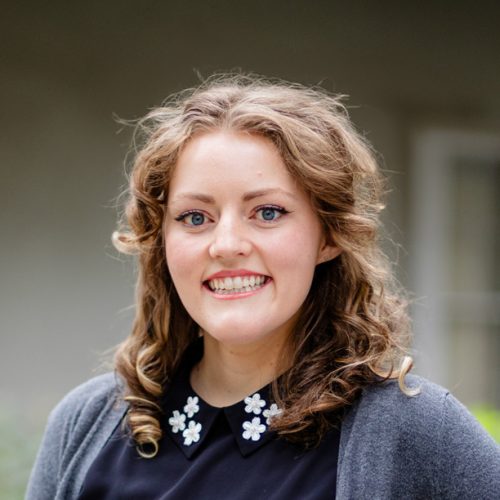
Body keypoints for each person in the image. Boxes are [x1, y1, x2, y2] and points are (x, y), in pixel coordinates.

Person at [26, 74, 500, 499]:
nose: (226, 244)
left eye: (267, 212)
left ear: (329, 235)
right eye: (195, 217)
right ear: (162, 242)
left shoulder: (416, 433)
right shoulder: (85, 425)